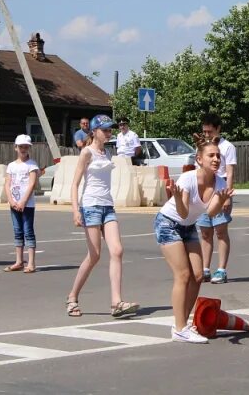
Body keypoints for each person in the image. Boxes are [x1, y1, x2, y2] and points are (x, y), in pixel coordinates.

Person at [155, 134, 233, 343]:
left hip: (188, 226)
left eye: (218, 156)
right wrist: (178, 198)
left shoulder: (219, 181)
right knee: (183, 275)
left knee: (198, 275)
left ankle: (183, 324)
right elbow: (182, 212)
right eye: (211, 156)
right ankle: (180, 328)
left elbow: (210, 213)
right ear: (199, 159)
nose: (216, 159)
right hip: (168, 223)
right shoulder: (188, 179)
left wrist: (222, 199)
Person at [66, 114, 139, 318]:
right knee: (95, 255)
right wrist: (75, 210)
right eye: (105, 130)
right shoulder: (86, 153)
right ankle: (72, 297)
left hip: (107, 206)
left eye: (110, 130)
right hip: (90, 206)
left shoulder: (107, 153)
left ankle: (116, 302)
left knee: (117, 250)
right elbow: (75, 183)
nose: (109, 133)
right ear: (95, 131)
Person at [197, 112, 237, 284]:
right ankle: (205, 268)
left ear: (218, 129)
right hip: (203, 193)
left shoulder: (227, 147)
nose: (207, 135)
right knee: (205, 233)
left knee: (220, 232)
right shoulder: (201, 146)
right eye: (204, 132)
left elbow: (229, 173)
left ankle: (221, 269)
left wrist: (227, 196)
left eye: (210, 131)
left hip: (220, 192)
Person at [3, 134, 39, 274]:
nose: (23, 149)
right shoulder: (11, 166)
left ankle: (31, 262)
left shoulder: (32, 165)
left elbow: (32, 184)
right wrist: (11, 200)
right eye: (21, 146)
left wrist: (23, 200)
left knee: (28, 231)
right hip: (14, 203)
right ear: (16, 148)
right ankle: (19, 260)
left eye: (26, 147)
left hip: (27, 204)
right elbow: (7, 184)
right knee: (17, 231)